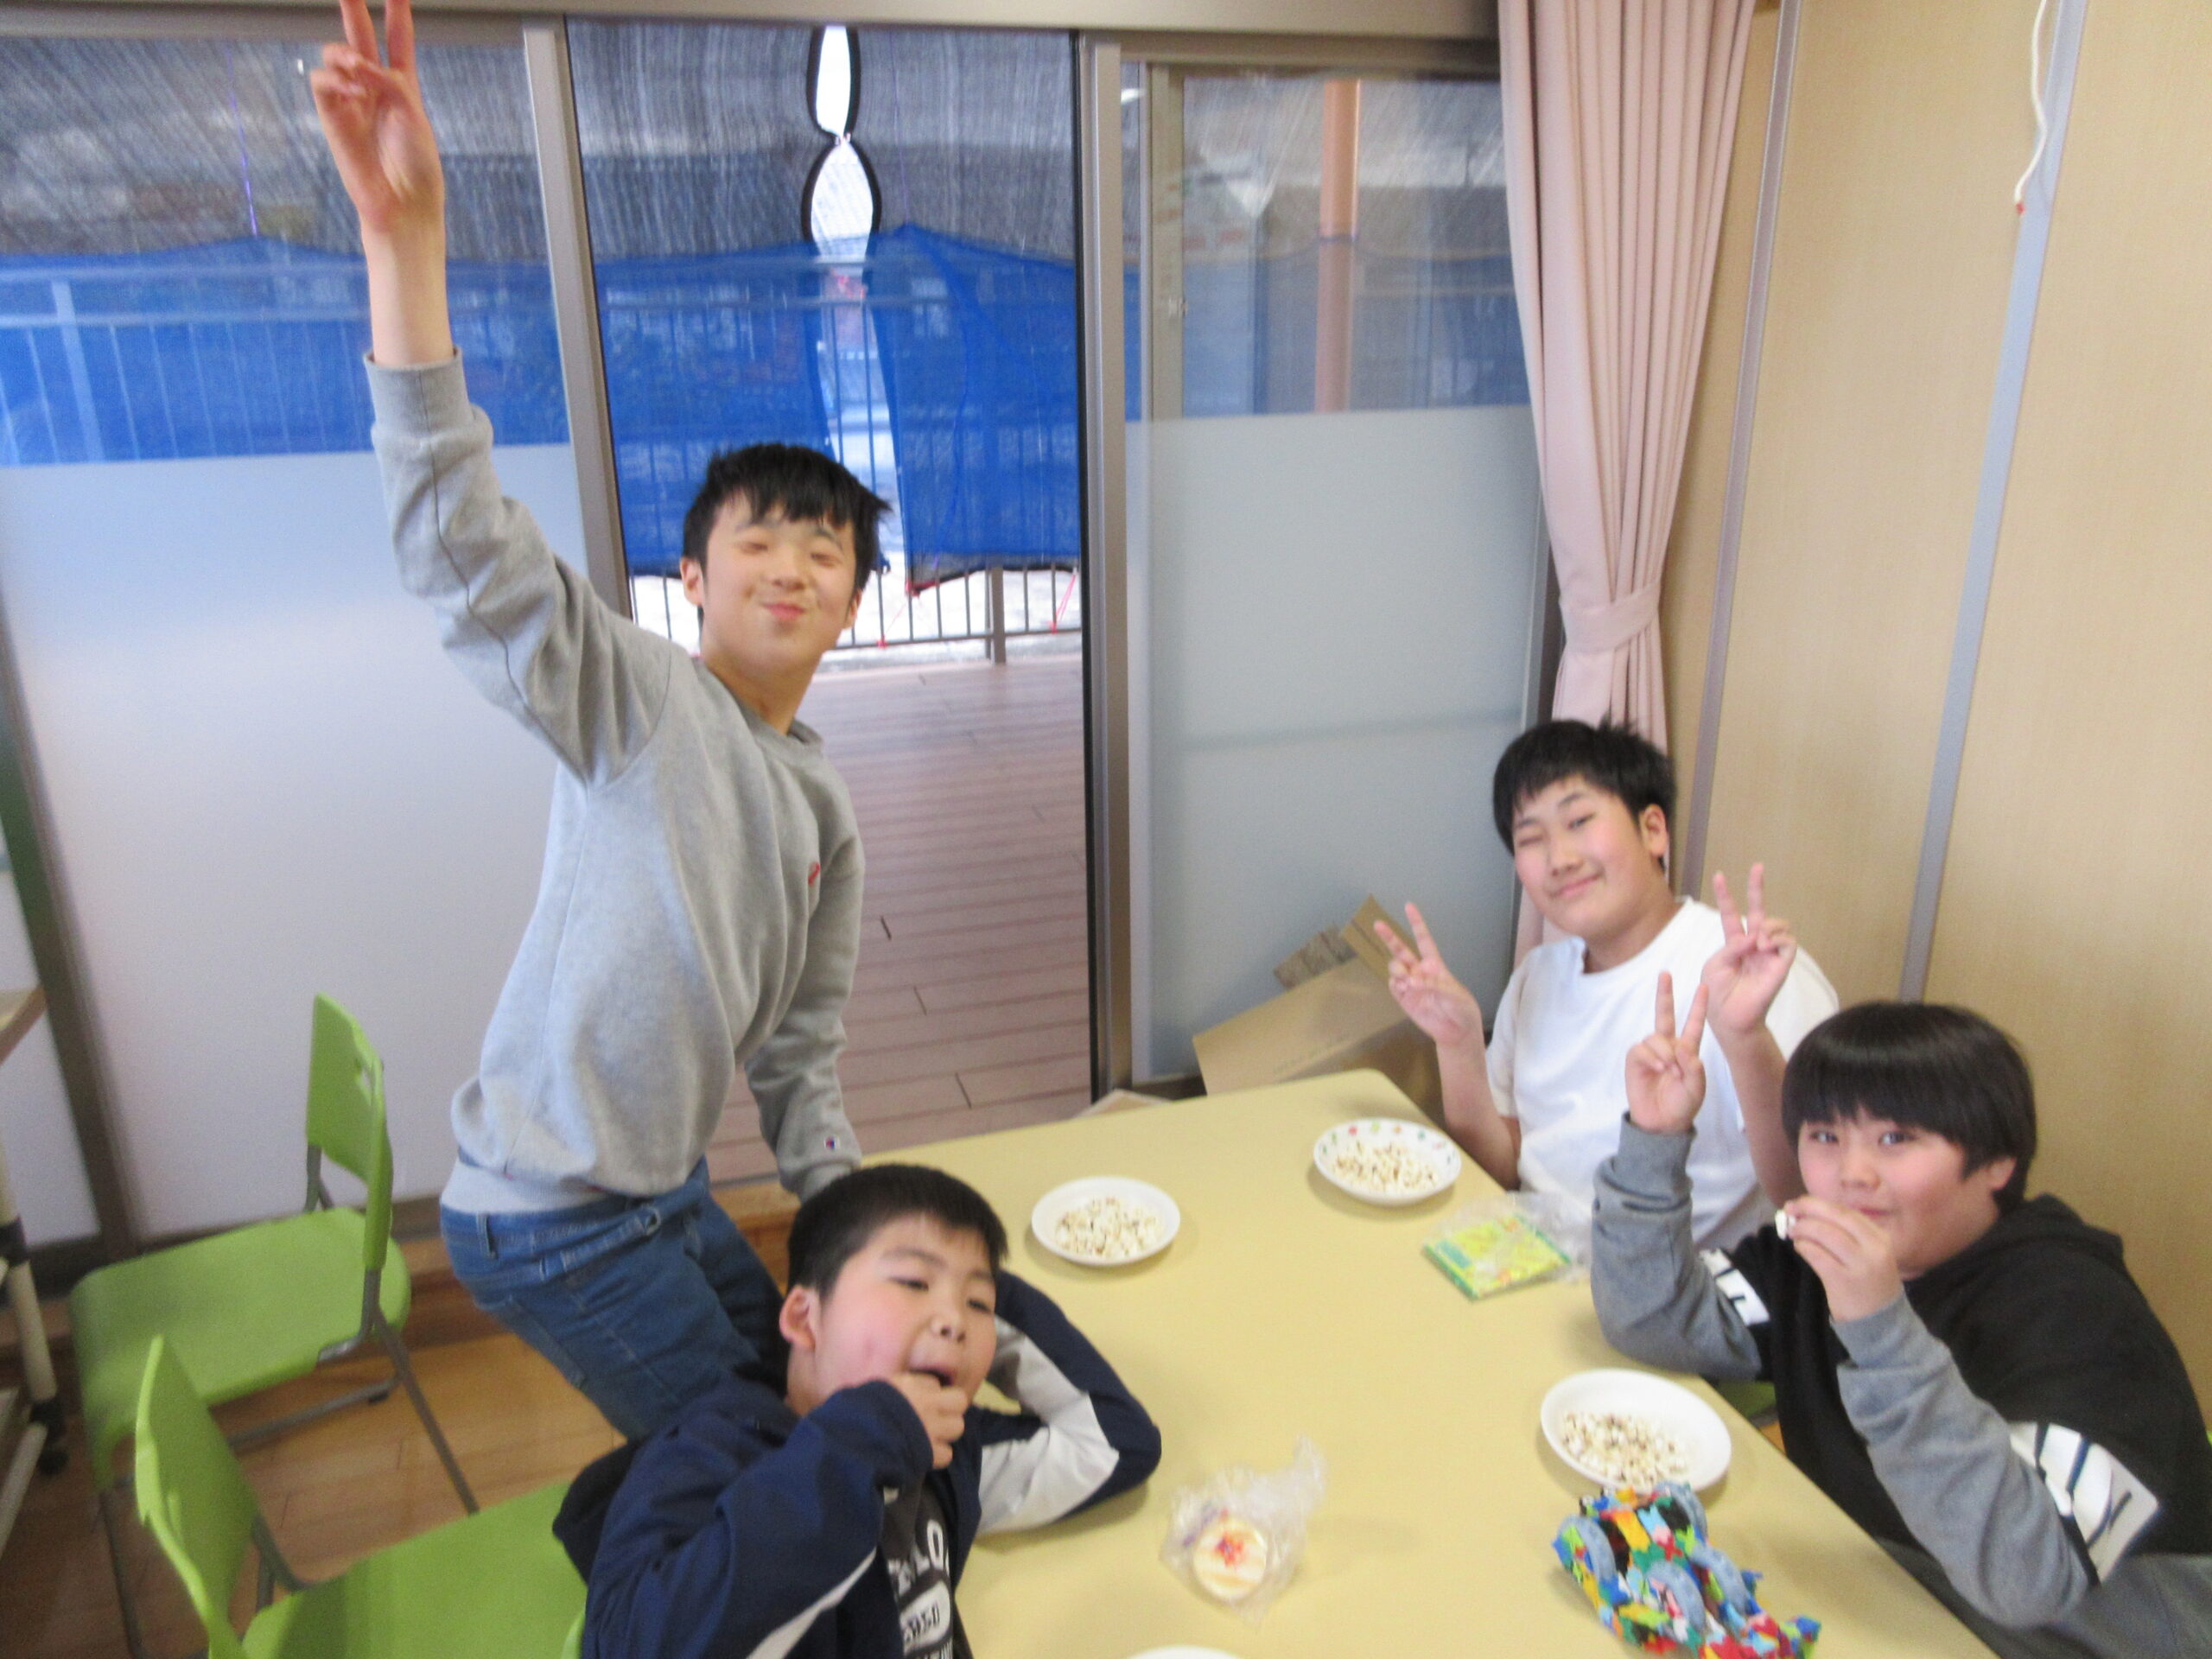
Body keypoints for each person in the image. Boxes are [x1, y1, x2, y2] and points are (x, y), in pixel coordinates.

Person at [313, 0, 880, 1437]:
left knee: (805, 1399)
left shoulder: (821, 805)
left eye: (826, 550)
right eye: (759, 539)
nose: (793, 566)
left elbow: (800, 1055)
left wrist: (861, 1233)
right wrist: (403, 250)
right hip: (551, 1213)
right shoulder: (639, 695)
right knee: (764, 1460)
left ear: (855, 600)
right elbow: (465, 554)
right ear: (693, 579)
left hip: (660, 1186)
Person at [1595, 991, 2212, 1658]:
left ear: (1998, 1159)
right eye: (1825, 1136)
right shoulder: (1815, 1256)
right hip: (1893, 1586)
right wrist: (1654, 1142)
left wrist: (1880, 1329)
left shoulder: (2081, 1314)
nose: (1852, 1174)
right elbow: (1654, 1320)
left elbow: (2027, 1578)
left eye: (1896, 1139)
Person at [554, 1164, 1161, 1659]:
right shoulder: (703, 1461)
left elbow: (1114, 1443)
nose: (954, 1320)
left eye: (979, 1304)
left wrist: (979, 1289)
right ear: (804, 1318)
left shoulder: (944, 1448)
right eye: (913, 1284)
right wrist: (854, 1449)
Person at [1381, 719, 1836, 1248]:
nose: (1560, 859)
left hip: (1672, 1282)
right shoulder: (1536, 977)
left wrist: (1746, 1037)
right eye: (1531, 839)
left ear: (1653, 829)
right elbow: (1503, 1167)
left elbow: (1807, 1192)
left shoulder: (1748, 974)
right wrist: (1458, 1044)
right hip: (1527, 1259)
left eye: (1579, 821)